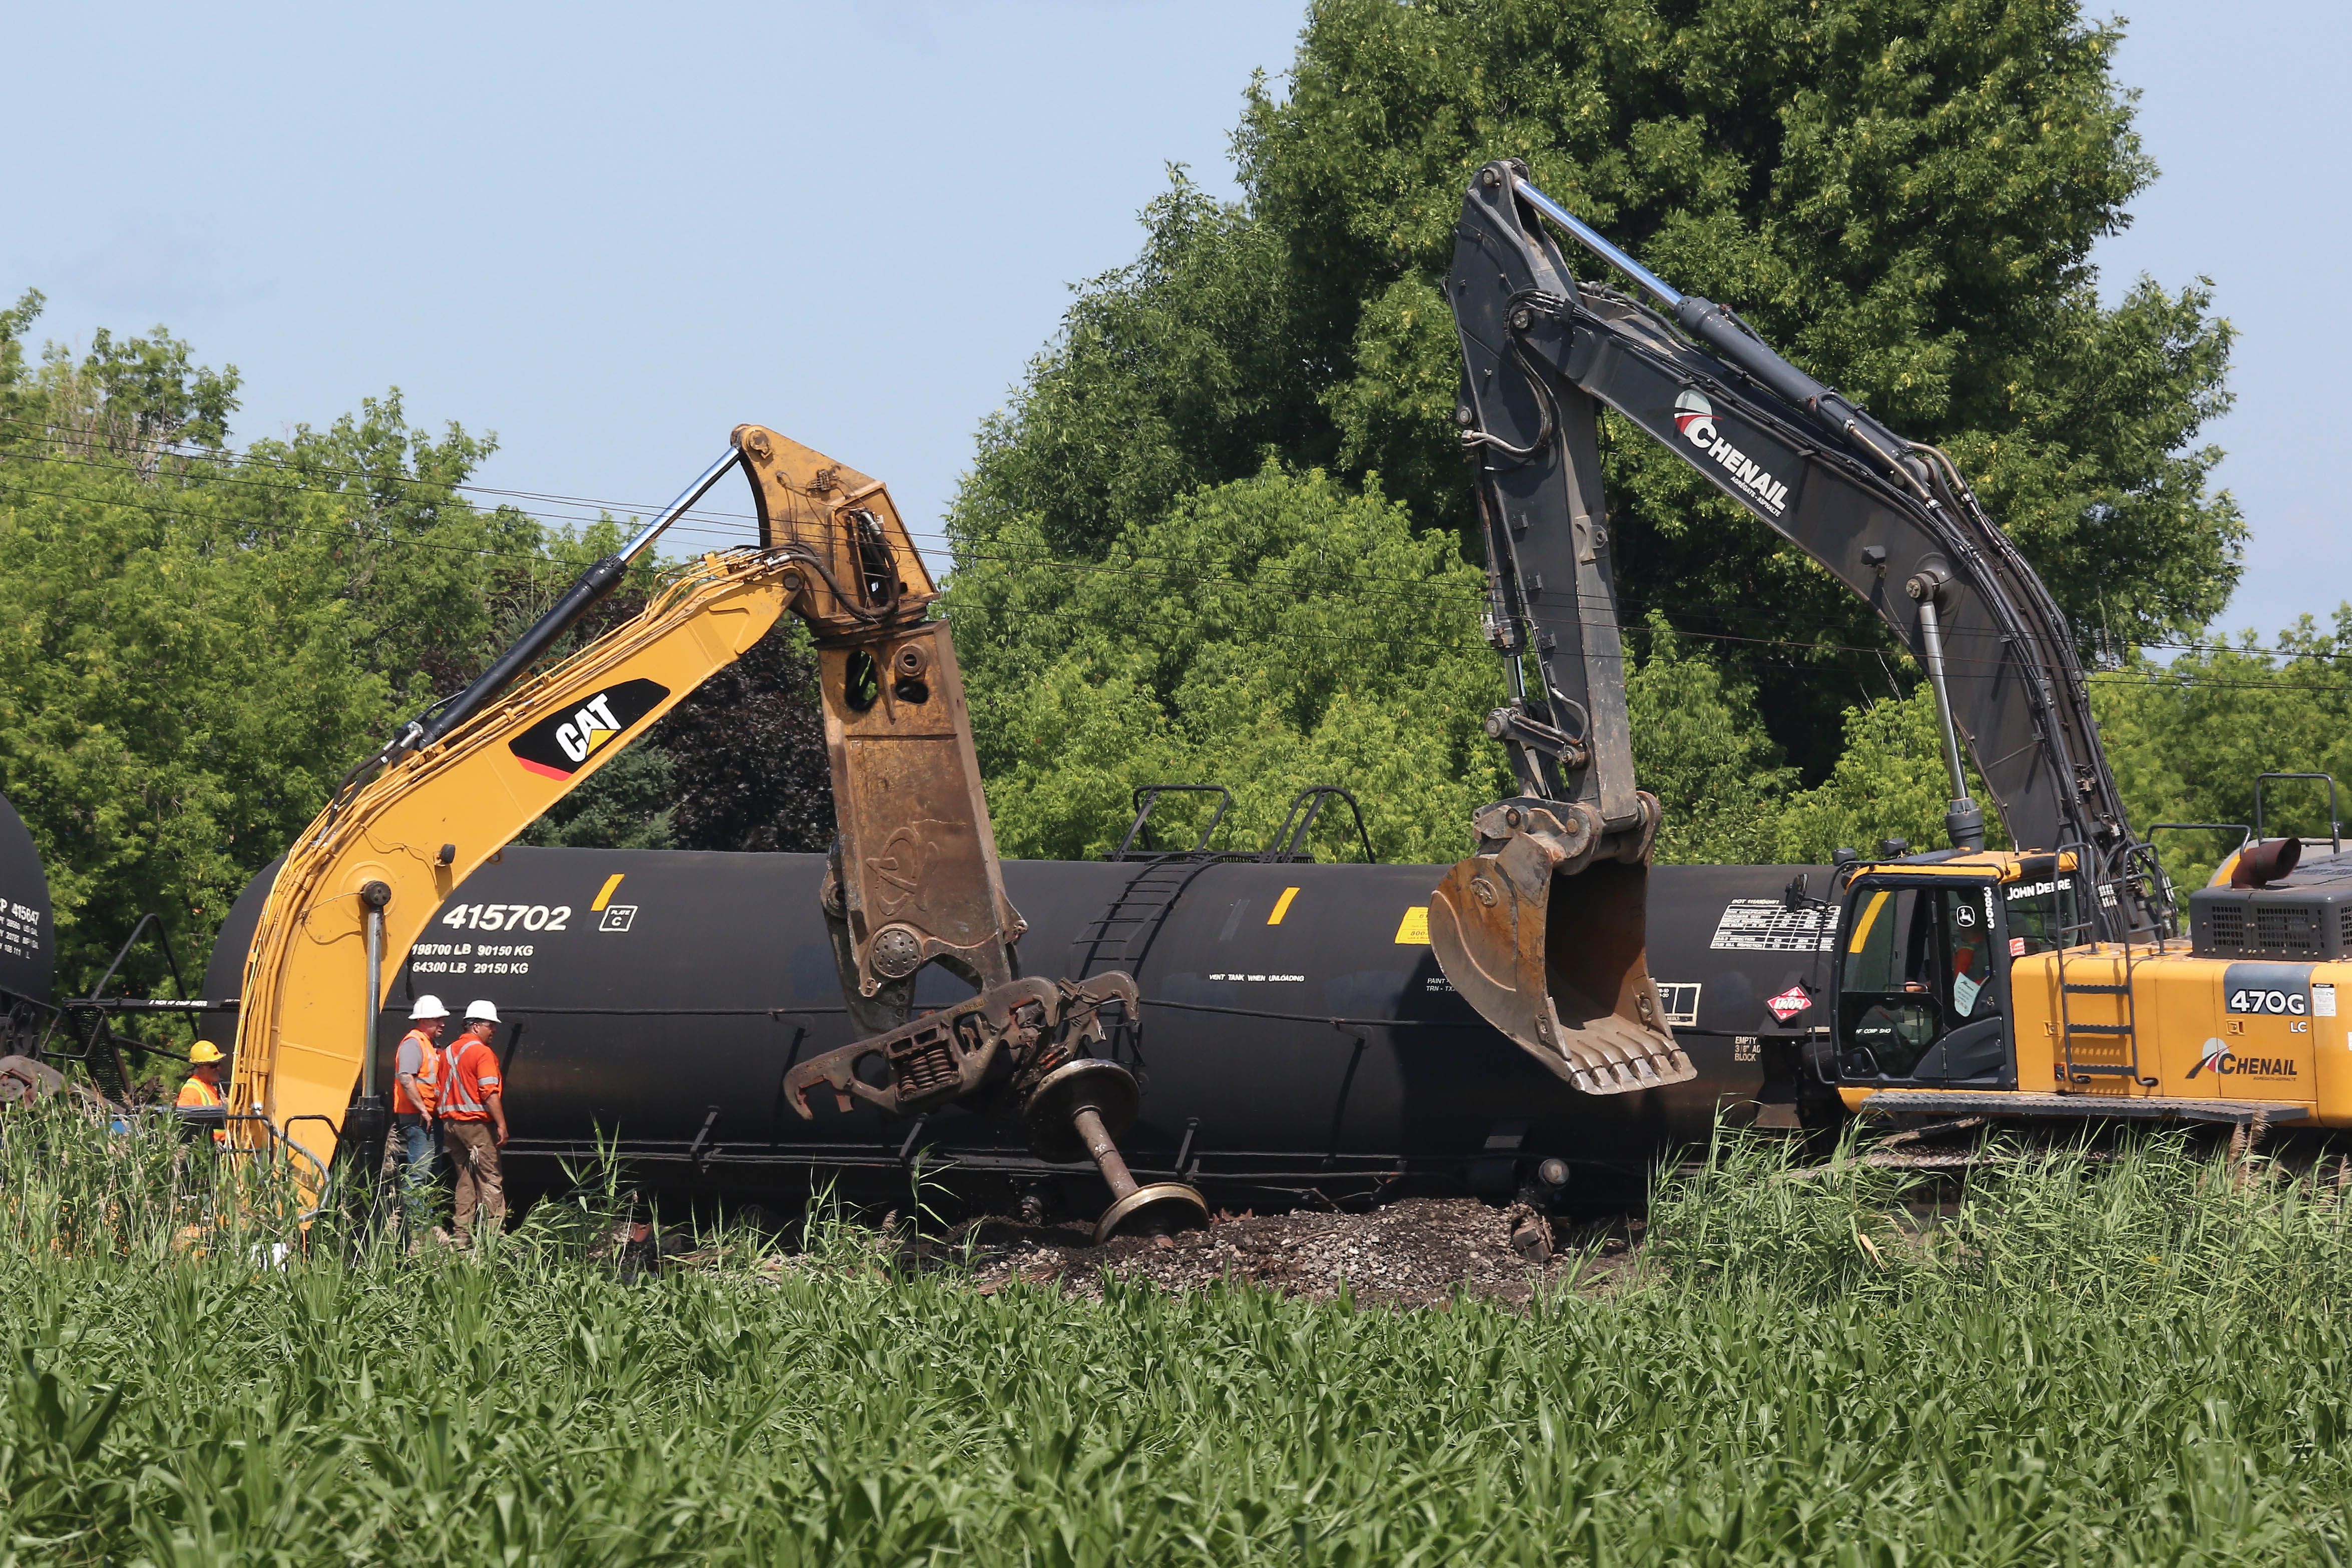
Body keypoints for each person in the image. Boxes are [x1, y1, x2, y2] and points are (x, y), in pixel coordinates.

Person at [438, 1000, 509, 1241]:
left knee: (466, 1180)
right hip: (476, 1126)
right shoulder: (482, 1053)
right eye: (491, 1025)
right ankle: (493, 1239)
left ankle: (461, 1238)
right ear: (477, 1026)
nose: (494, 1030)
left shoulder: (448, 1051)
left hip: (450, 1126)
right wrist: (501, 1124)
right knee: (490, 1179)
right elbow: (488, 1092)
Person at [391, 996, 449, 1226]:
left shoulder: (430, 1045)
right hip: (419, 1119)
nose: (442, 1024)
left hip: (428, 1118)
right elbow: (406, 1078)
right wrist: (423, 1110)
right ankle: (414, 1227)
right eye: (437, 1019)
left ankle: (425, 1224)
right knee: (420, 1173)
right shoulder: (414, 1043)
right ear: (424, 1020)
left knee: (430, 1171)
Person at [175, 1041, 228, 1144]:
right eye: (214, 1065)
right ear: (200, 1067)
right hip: (209, 1149)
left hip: (220, 1144)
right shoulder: (192, 1090)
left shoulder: (209, 1086)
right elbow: (184, 1124)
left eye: (218, 1064)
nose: (219, 1068)